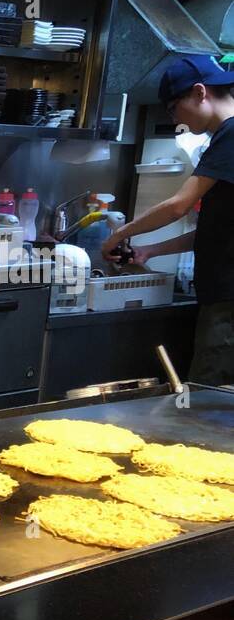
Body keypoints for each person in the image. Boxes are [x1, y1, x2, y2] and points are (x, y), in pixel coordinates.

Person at [102, 56, 234, 385]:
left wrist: (121, 233)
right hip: (223, 295)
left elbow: (178, 205)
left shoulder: (231, 135)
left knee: (206, 399)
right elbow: (218, 228)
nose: (176, 120)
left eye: (174, 109)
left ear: (200, 93)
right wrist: (150, 252)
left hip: (228, 301)